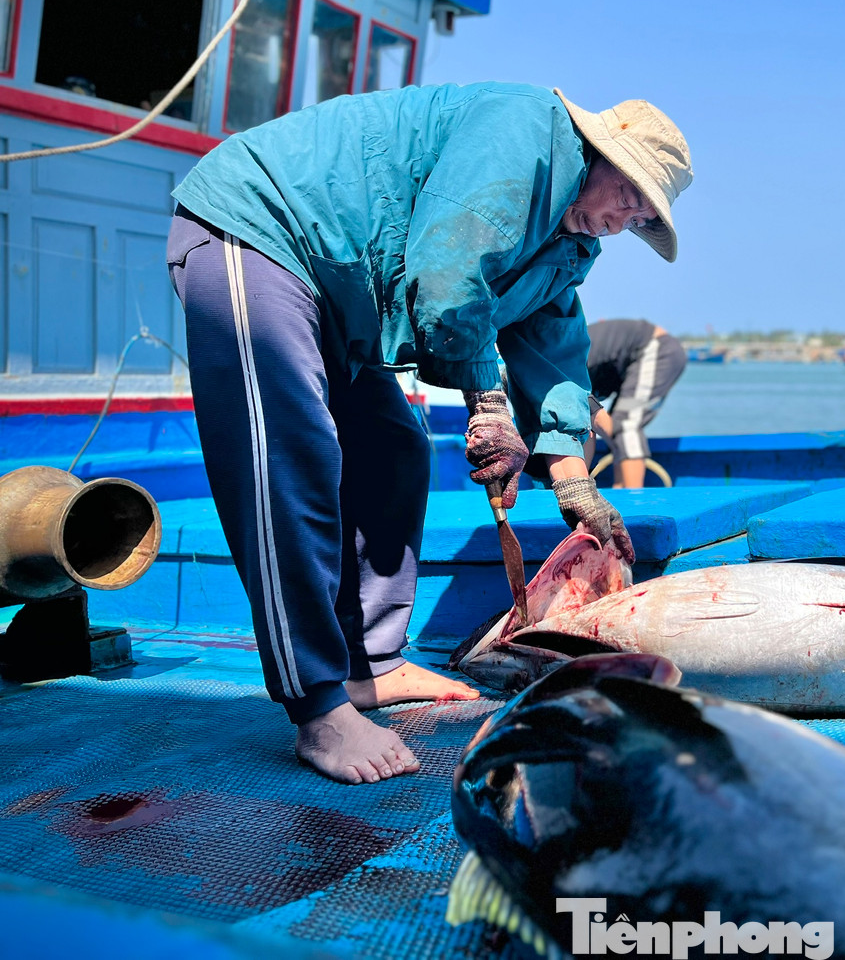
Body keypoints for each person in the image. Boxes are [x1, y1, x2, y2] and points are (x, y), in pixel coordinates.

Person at [165, 82, 692, 784]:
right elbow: (448, 274)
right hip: (260, 231)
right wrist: (489, 407)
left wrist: (574, 481)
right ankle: (319, 707)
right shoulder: (527, 131)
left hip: (341, 300)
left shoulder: (566, 246)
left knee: (396, 452)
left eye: (646, 213)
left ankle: (370, 665)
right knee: (293, 457)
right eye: (630, 193)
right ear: (597, 152)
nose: (628, 218)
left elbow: (553, 348)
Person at [585, 319, 687, 488]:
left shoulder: (555, 365)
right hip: (625, 363)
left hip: (655, 349)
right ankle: (620, 489)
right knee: (618, 425)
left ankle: (634, 501)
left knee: (626, 425)